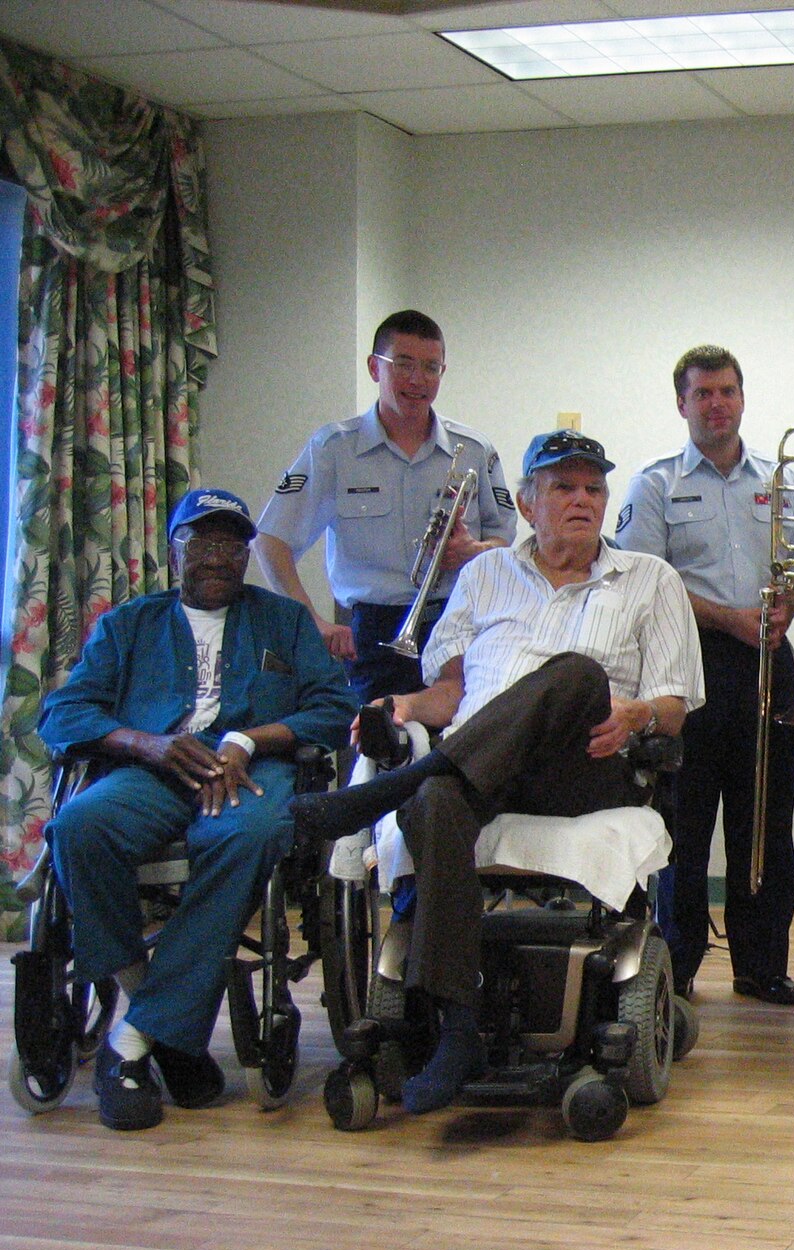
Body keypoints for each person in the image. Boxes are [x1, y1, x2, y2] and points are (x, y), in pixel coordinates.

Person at [291, 431, 703, 1115]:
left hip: (586, 769)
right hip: (484, 768)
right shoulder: (483, 576)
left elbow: (675, 708)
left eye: (593, 489)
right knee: (435, 804)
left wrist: (634, 716)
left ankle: (390, 789)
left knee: (575, 673)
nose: (582, 500)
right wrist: (400, 706)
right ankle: (457, 1028)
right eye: (564, 487)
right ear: (526, 502)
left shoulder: (649, 579)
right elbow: (449, 694)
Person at [38, 489, 355, 1131]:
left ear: (245, 555)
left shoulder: (284, 621)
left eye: (230, 544)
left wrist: (247, 739)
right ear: (174, 548)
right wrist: (143, 742)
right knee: (78, 824)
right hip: (153, 768)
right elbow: (63, 713)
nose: (215, 556)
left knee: (253, 833)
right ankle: (162, 1022)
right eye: (200, 542)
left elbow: (332, 706)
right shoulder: (129, 624)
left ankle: (129, 1047)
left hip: (250, 769)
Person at [617, 345, 794, 1007]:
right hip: (688, 661)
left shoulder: (781, 477)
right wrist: (730, 620)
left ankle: (761, 965)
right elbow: (646, 581)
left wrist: (788, 605)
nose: (717, 404)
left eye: (727, 391)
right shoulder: (656, 484)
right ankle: (675, 965)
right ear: (683, 403)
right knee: (685, 823)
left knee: (765, 820)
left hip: (769, 660)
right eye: (703, 393)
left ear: (741, 397)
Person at [254, 309, 516, 703]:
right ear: (375, 368)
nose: (417, 380)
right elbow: (270, 540)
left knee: (467, 745)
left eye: (431, 367)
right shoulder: (334, 449)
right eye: (404, 365)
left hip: (461, 620)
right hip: (372, 630)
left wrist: (473, 552)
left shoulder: (474, 451)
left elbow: (504, 542)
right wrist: (312, 621)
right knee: (380, 748)